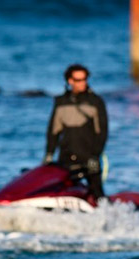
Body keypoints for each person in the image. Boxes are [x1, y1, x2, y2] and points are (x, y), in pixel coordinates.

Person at [44, 63, 109, 201]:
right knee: (59, 192)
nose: (83, 83)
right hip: (65, 157)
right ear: (70, 81)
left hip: (89, 157)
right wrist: (49, 154)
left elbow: (102, 132)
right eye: (78, 80)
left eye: (84, 79)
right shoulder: (60, 102)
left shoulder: (96, 101)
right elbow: (53, 131)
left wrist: (95, 155)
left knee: (97, 192)